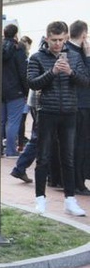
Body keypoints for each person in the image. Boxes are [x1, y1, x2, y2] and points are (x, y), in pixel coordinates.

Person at [28, 20, 90, 216]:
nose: (57, 44)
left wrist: (70, 72)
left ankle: (70, 200)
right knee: (43, 157)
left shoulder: (74, 56)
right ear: (47, 38)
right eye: (54, 40)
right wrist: (53, 72)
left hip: (70, 112)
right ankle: (40, 199)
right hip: (47, 111)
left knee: (69, 158)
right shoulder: (37, 57)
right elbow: (32, 83)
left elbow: (85, 81)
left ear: (65, 38)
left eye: (61, 40)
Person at [67, 20, 90, 195]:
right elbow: (86, 78)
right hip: (81, 104)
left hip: (72, 104)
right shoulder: (79, 53)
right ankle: (78, 183)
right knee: (80, 145)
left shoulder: (67, 50)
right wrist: (88, 57)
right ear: (83, 35)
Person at [1, 24, 29, 157]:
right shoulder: (19, 50)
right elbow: (23, 72)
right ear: (16, 34)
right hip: (15, 91)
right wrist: (26, 90)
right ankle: (11, 150)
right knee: (13, 121)